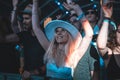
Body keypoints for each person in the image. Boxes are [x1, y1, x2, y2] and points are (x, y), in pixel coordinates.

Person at [32, 0, 93, 79]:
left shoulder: (74, 54)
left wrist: (77, 9)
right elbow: (36, 28)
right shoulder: (50, 49)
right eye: (57, 31)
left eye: (62, 31)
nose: (59, 33)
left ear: (69, 35)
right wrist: (35, 3)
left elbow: (89, 34)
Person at [63, 1, 100, 80]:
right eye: (71, 22)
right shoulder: (66, 43)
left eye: (92, 13)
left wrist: (76, 8)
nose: (72, 23)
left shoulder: (95, 28)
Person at [11, 0, 46, 79]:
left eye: (27, 19)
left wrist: (34, 72)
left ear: (36, 18)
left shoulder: (46, 35)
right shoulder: (25, 35)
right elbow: (14, 26)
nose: (24, 22)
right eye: (23, 19)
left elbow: (52, 62)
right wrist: (15, 7)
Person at [97, 2, 120, 80]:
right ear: (115, 34)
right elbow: (100, 46)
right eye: (119, 32)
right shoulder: (110, 51)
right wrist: (106, 18)